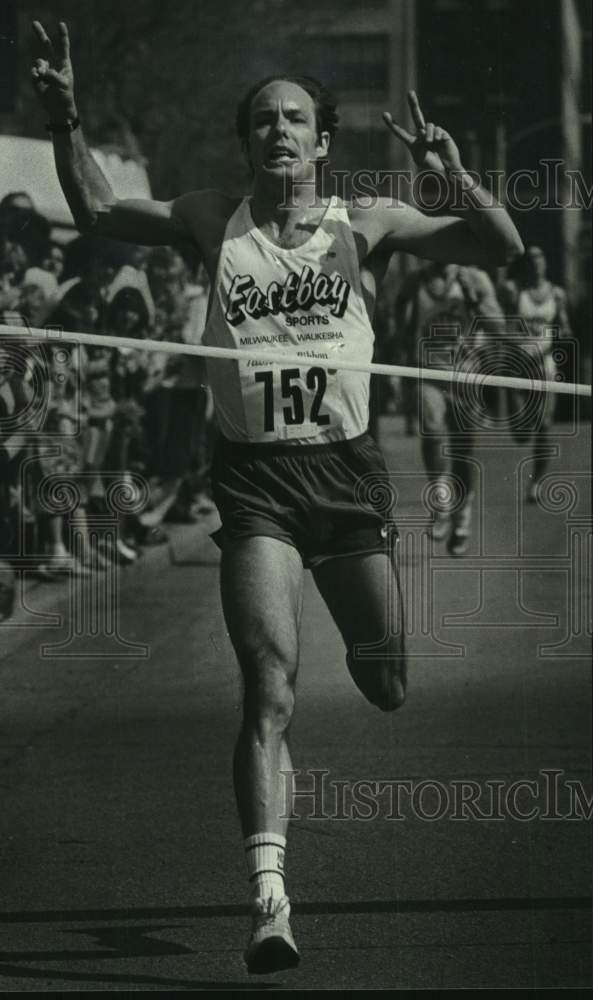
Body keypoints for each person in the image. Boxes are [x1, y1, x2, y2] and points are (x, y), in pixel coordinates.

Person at [31, 19, 524, 974]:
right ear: (246, 142)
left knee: (384, 683)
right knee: (269, 687)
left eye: (296, 118)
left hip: (345, 480)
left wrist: (453, 171)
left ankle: (360, 688)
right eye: (263, 120)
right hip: (254, 481)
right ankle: (268, 900)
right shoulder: (213, 218)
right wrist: (67, 121)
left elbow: (497, 245)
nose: (279, 131)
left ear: (322, 141)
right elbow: (95, 210)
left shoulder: (364, 223)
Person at [395, 261, 503, 554]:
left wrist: (474, 298)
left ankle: (462, 521)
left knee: (463, 451)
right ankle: (441, 504)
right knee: (431, 429)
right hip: (427, 371)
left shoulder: (476, 277)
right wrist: (403, 343)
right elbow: (398, 312)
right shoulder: (416, 279)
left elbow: (498, 325)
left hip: (466, 373)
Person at [498, 245, 572, 502]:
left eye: (540, 258)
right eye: (531, 259)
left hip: (544, 365)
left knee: (544, 427)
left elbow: (564, 327)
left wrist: (559, 333)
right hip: (519, 366)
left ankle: (537, 483)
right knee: (521, 434)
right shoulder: (513, 291)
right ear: (526, 264)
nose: (536, 263)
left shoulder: (557, 294)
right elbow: (500, 324)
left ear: (545, 264)